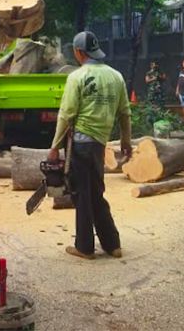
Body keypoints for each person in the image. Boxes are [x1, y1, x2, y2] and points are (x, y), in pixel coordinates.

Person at [48, 31, 131, 260]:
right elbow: (125, 113)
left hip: (80, 143)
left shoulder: (77, 77)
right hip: (99, 143)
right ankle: (112, 244)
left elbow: (66, 115)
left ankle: (84, 247)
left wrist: (55, 147)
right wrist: (125, 141)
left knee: (82, 194)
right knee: (96, 192)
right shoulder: (116, 76)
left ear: (78, 52)